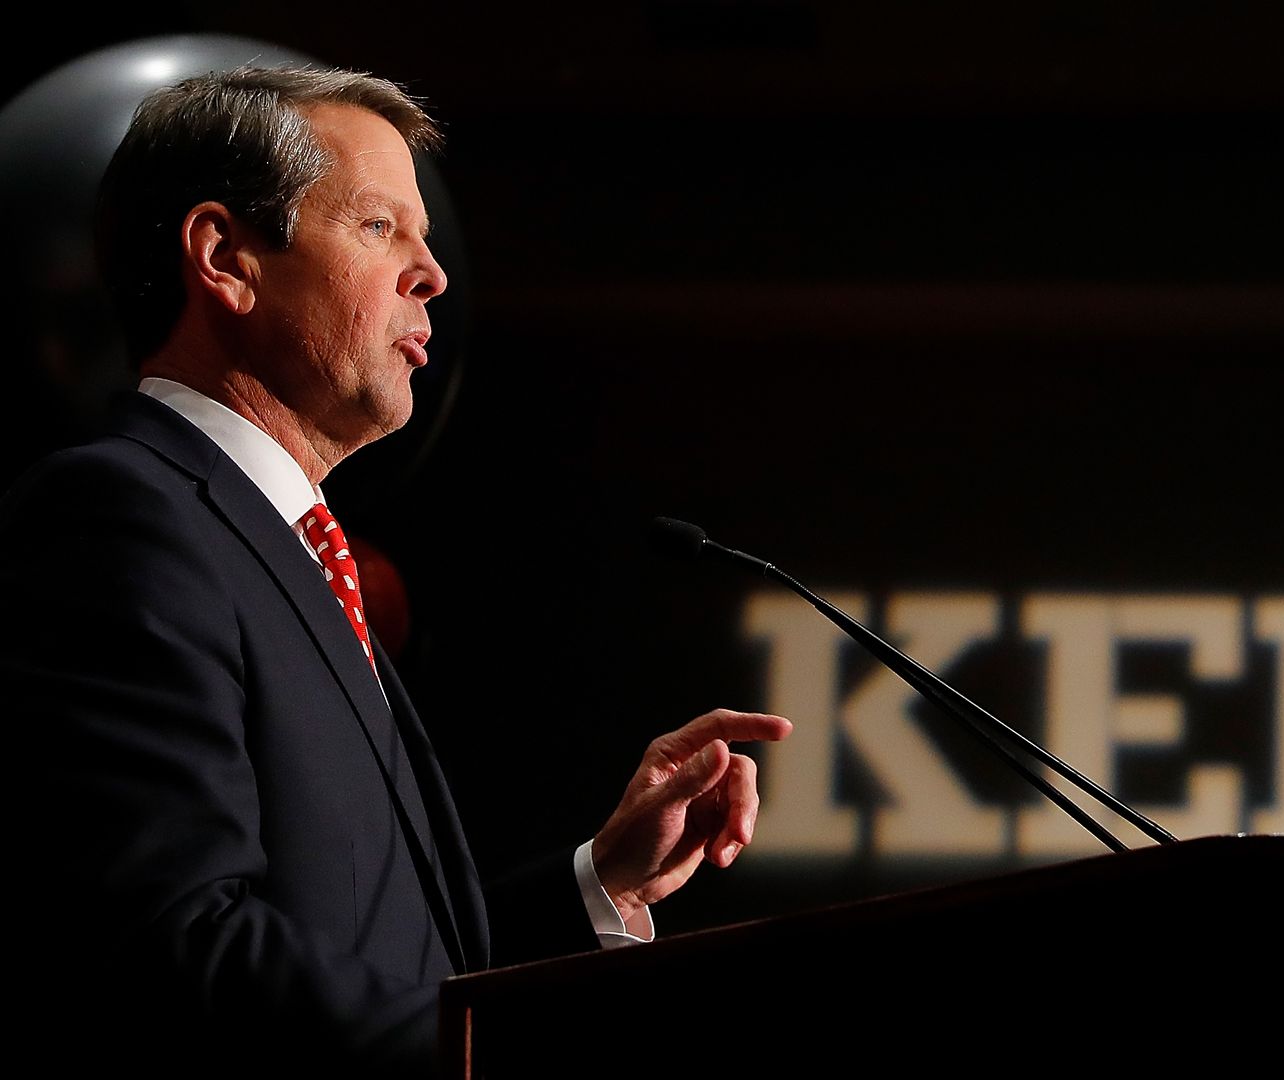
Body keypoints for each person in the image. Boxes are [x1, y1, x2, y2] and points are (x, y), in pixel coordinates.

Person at [0, 65, 791, 1076]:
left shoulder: (289, 545)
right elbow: (175, 947)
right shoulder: (121, 518)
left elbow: (387, 957)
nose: (432, 275)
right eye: (380, 227)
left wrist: (602, 885)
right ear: (226, 259)